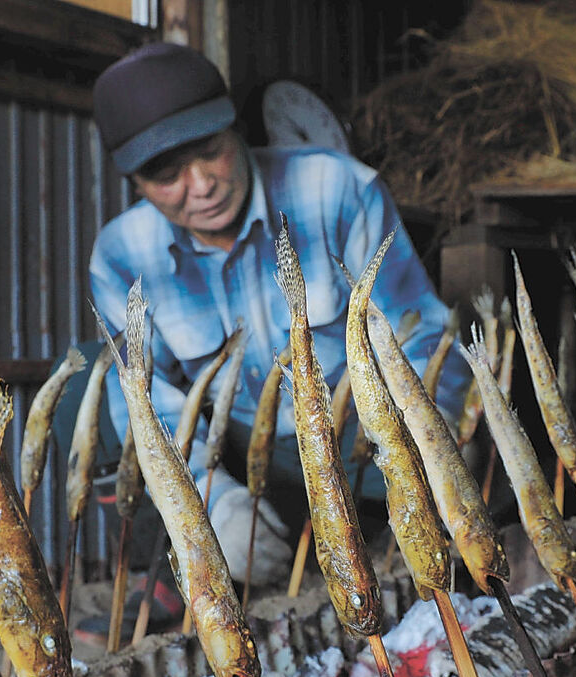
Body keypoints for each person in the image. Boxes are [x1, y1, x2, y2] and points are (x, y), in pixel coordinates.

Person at [89, 42, 471, 588]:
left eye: (209, 151)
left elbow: (420, 331)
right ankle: (180, 578)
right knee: (89, 382)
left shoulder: (338, 189)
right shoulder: (122, 255)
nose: (199, 186)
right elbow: (150, 406)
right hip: (238, 454)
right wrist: (211, 501)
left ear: (236, 129)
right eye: (165, 174)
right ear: (135, 182)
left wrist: (426, 461)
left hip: (359, 443)